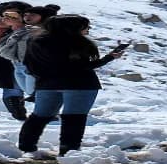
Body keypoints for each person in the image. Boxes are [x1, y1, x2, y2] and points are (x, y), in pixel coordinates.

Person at [19, 14, 128, 156]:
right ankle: (68, 152)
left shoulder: (36, 42)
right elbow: (82, 67)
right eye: (85, 26)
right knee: (74, 118)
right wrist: (108, 58)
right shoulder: (76, 43)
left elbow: (29, 65)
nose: (88, 29)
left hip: (47, 84)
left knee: (39, 117)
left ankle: (25, 147)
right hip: (80, 84)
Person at [0, 4, 61, 100]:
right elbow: (1, 44)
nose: (27, 17)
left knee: (38, 95)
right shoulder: (23, 29)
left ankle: (48, 113)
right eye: (26, 15)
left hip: (33, 68)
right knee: (32, 93)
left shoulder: (48, 31)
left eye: (32, 15)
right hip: (18, 65)